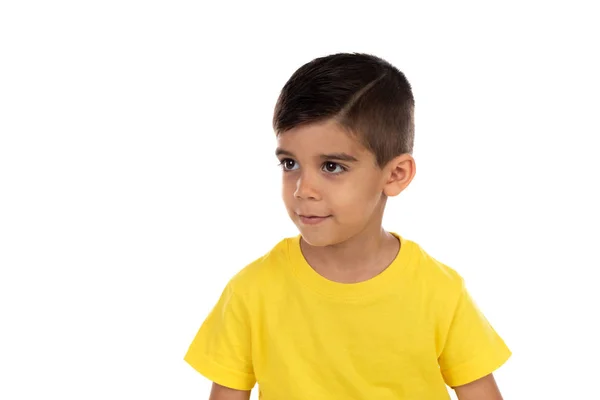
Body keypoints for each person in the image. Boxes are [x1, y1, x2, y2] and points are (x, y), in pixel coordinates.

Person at [184, 53, 511, 400]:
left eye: (332, 166)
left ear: (395, 175)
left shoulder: (440, 292)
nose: (302, 190)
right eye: (290, 163)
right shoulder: (251, 292)